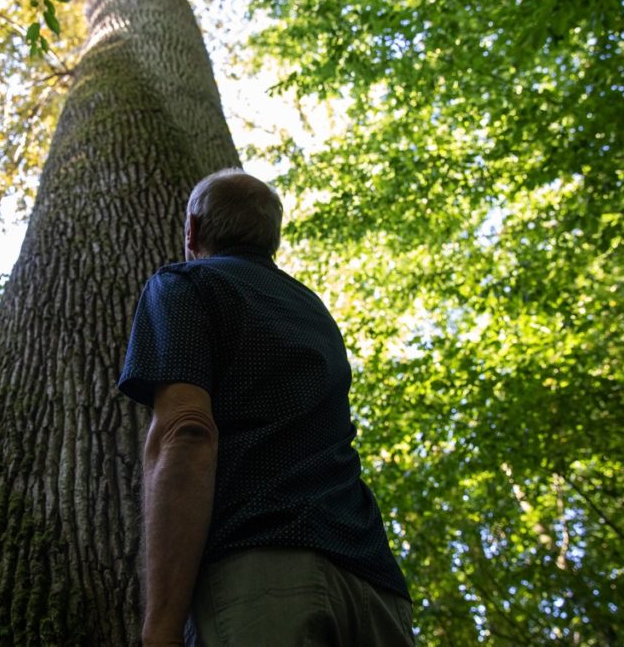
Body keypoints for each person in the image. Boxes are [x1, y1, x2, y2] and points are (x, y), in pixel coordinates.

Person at [119, 170, 414, 646]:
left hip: (261, 573)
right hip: (375, 587)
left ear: (192, 230)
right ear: (271, 239)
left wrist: (161, 630)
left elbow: (187, 431)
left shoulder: (184, 284)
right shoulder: (316, 312)